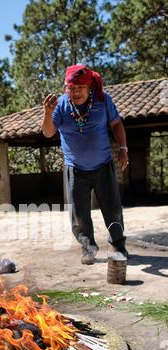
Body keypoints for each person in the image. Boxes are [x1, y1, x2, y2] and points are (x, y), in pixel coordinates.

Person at [41, 64, 129, 264]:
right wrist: (47, 112)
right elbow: (48, 132)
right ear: (66, 88)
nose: (76, 92)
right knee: (79, 213)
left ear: (90, 87)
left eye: (81, 87)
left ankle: (119, 245)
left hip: (103, 165)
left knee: (112, 208)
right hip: (75, 168)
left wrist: (123, 149)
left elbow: (116, 124)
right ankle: (88, 247)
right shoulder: (61, 105)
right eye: (71, 88)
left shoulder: (103, 100)